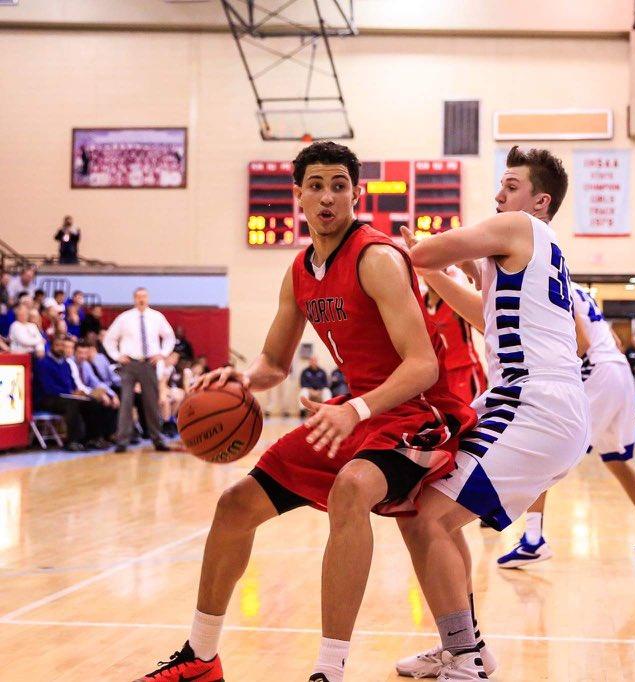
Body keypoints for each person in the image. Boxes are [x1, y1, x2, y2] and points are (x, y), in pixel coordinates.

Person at [134, 142, 474, 682]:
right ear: (298, 196)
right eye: (315, 186)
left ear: (355, 194)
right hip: (355, 411)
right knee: (235, 504)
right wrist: (240, 378)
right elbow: (273, 361)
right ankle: (200, 657)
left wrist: (357, 410)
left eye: (339, 185)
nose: (327, 197)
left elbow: (423, 366)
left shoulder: (378, 258)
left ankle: (329, 669)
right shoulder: (299, 271)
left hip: (416, 411)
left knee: (351, 488)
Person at [392, 145, 589, 679]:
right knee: (424, 508)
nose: (498, 195)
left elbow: (427, 252)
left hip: (536, 403)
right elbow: (486, 317)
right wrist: (433, 268)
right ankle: (463, 645)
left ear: (539, 201)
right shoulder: (531, 253)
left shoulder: (521, 228)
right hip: (535, 401)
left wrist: (390, 250)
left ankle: (468, 656)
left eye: (510, 186)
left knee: (428, 514)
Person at [495, 282, 635, 570]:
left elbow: (582, 345)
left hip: (599, 372)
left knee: (545, 452)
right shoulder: (580, 290)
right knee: (616, 461)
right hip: (619, 369)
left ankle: (532, 540)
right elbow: (614, 341)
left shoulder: (554, 286)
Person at [103, 287, 175, 453]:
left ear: (148, 298)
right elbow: (109, 339)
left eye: (144, 296)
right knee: (126, 402)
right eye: (138, 297)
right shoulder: (125, 318)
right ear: (134, 299)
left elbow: (169, 337)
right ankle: (122, 440)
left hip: (149, 363)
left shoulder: (156, 317)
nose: (141, 299)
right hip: (129, 364)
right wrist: (117, 355)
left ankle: (157, 439)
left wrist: (162, 354)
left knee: (151, 402)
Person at [424, 277, 487, 404]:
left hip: (465, 370)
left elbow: (487, 329)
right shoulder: (420, 304)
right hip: (440, 377)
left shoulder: (455, 300)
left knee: (475, 417)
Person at [33, 337, 104, 450]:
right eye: (57, 345)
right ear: (51, 346)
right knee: (72, 404)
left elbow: (71, 384)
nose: (60, 348)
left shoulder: (66, 364)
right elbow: (48, 387)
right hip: (47, 398)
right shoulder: (43, 363)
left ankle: (92, 438)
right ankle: (72, 441)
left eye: (63, 346)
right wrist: (70, 393)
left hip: (65, 396)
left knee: (91, 402)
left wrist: (77, 392)